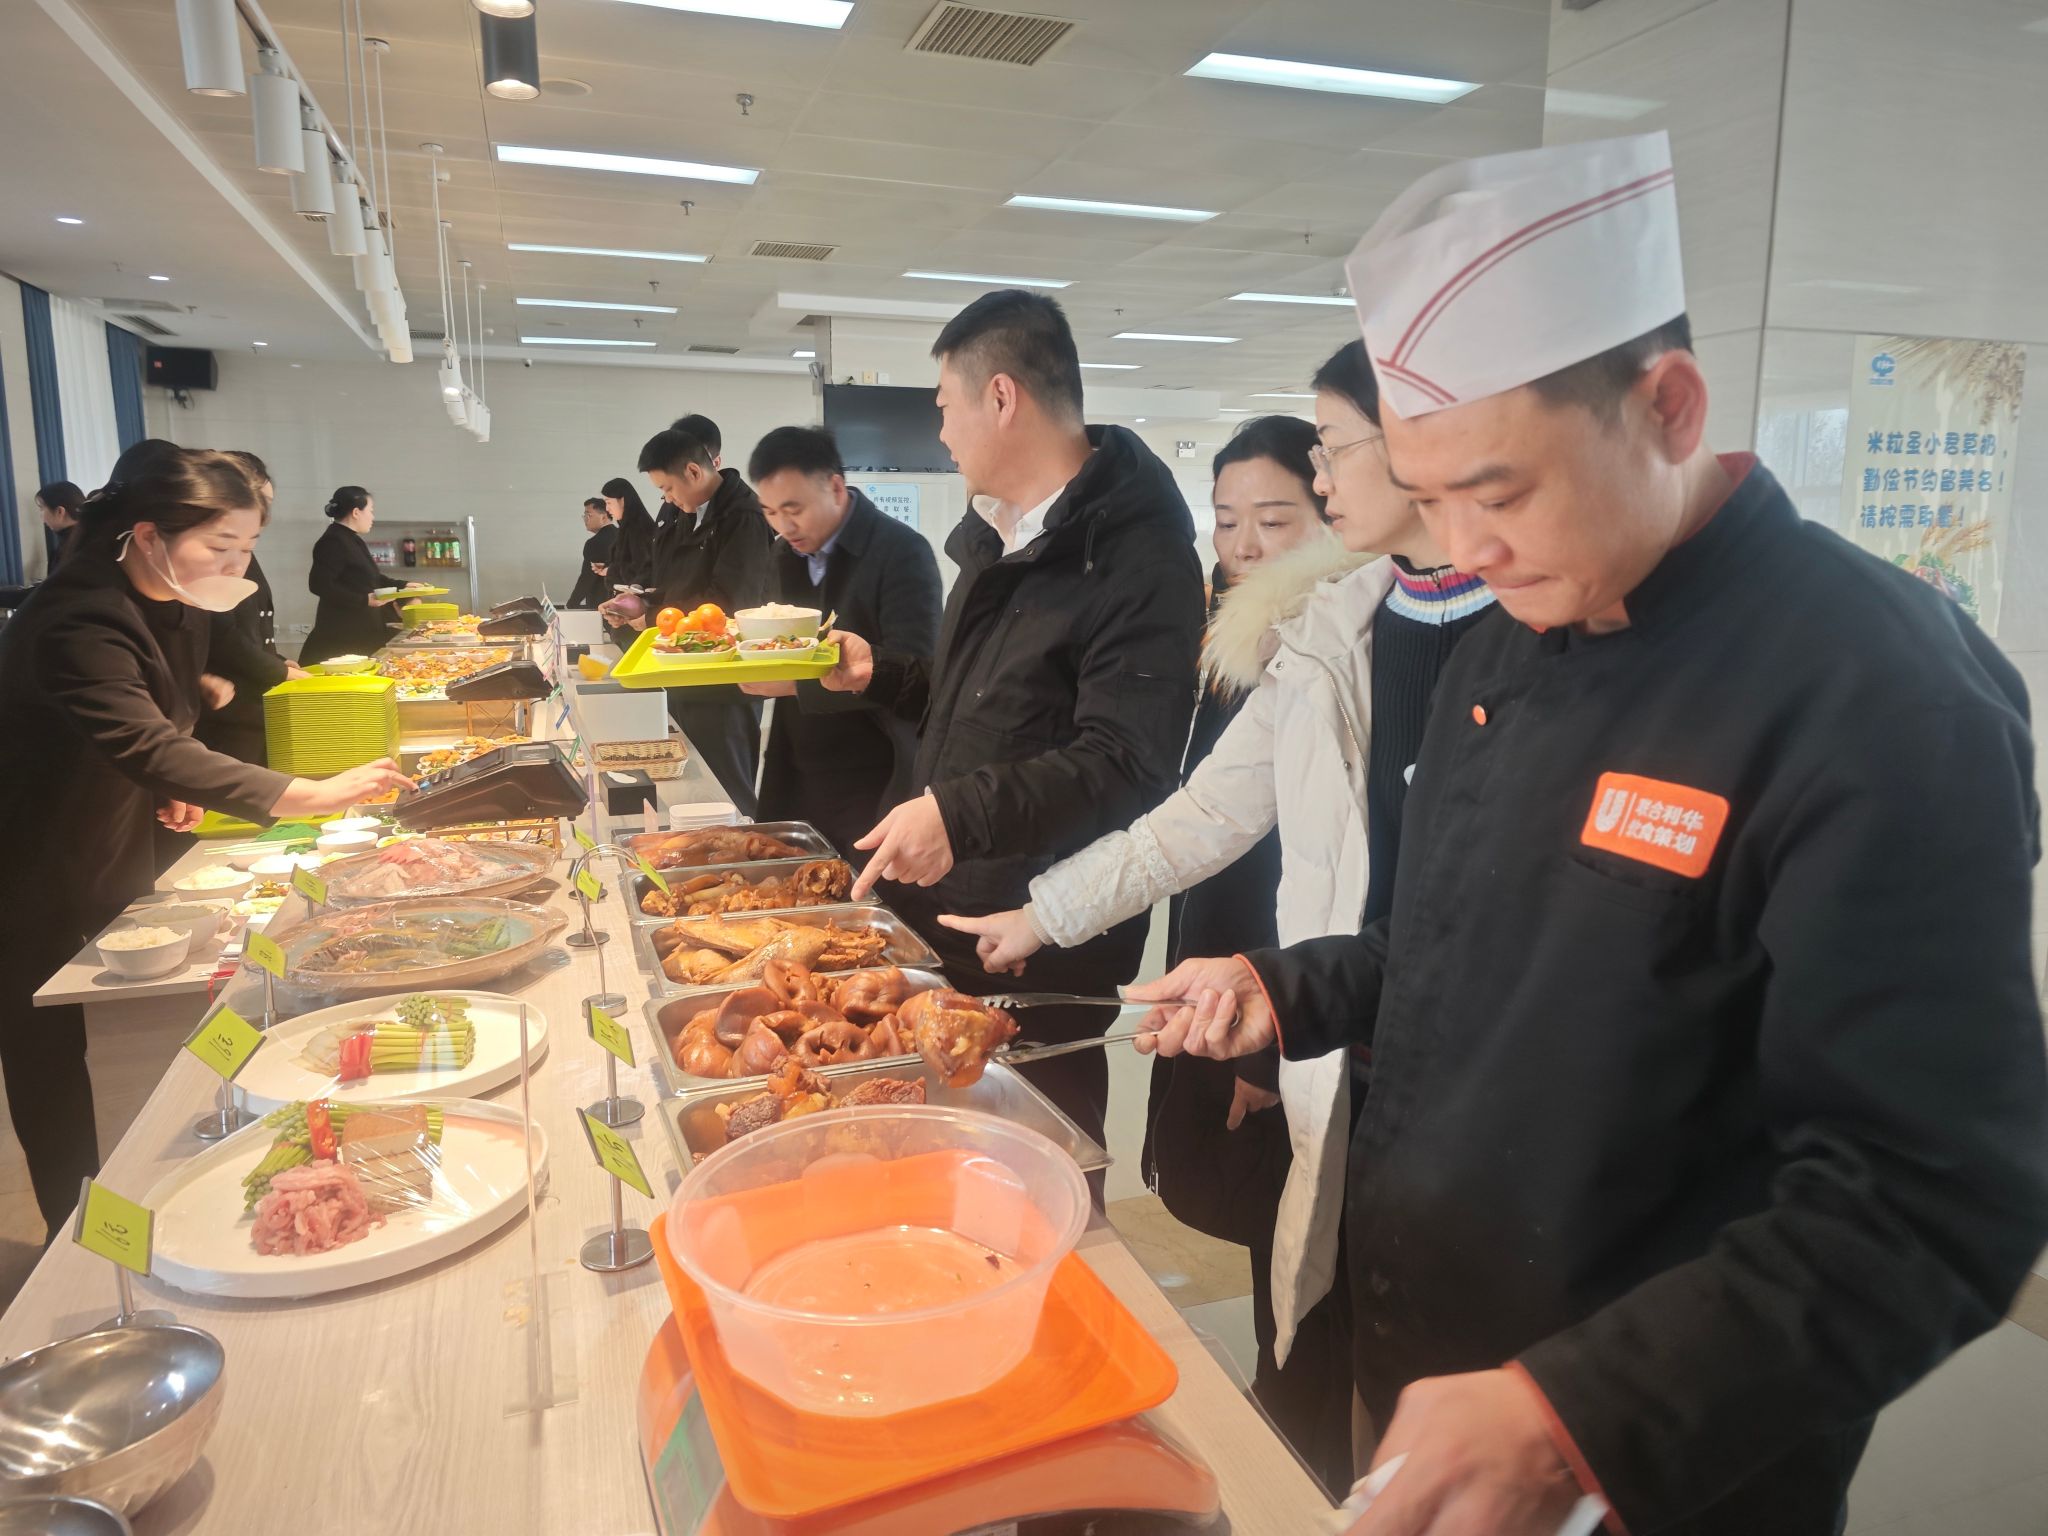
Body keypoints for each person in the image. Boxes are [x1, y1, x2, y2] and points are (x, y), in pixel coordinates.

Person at [1131, 132, 2048, 1536]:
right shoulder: (1508, 638)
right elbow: (1451, 953)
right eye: (1429, 496)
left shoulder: (1876, 695)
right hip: (1433, 1373)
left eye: (1497, 492)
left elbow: (1932, 1197)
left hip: (1650, 1455)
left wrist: (1580, 1418)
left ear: (1666, 406)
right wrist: (1287, 987)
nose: (1462, 547)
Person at [943, 390, 1497, 1496]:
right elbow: (1203, 818)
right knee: (1323, 1334)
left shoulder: (1525, 634)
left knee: (1451, 1382)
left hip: (1470, 1076)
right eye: (1234, 514)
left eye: (1328, 456)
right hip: (1344, 1037)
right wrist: (1043, 915)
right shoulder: (1328, 631)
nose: (1323, 478)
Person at [819, 289, 1206, 1144]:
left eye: (944, 407)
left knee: (1039, 1159)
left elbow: (1127, 763)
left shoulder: (1138, 559)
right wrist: (882, 673)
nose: (941, 433)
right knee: (935, 1156)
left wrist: (958, 816)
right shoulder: (1000, 535)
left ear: (1001, 397)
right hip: (948, 916)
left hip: (1037, 935)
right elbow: (979, 703)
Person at [0, 449, 411, 1240]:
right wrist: (304, 794)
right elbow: (138, 735)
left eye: (247, 548)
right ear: (148, 535)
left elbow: (157, 717)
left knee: (124, 1029)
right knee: (50, 1048)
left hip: (114, 833)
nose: (236, 567)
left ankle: (161, 1195)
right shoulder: (76, 614)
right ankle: (78, 1235)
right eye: (221, 546)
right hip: (31, 857)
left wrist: (166, 773)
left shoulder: (174, 602)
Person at [736, 426, 943, 861]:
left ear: (834, 487)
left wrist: (797, 684)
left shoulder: (901, 552)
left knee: (861, 891)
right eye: (770, 511)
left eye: (794, 509)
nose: (783, 525)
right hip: (797, 761)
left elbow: (920, 676)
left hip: (873, 771)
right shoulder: (782, 554)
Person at [604, 422, 776, 814]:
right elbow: (673, 582)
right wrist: (640, 603)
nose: (666, 498)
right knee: (694, 781)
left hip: (722, 681)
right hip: (682, 668)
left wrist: (651, 617)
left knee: (728, 789)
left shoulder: (743, 516)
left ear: (694, 472)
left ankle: (741, 846)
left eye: (668, 488)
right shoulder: (682, 511)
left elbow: (729, 603)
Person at [196, 451, 303, 768]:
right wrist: (278, 671)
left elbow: (250, 622)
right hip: (227, 707)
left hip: (248, 696)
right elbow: (222, 634)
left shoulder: (240, 552)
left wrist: (275, 659)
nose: (262, 513)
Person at [301, 486, 417, 664]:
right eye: (370, 511)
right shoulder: (333, 541)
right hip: (342, 634)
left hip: (361, 630)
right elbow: (319, 584)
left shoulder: (351, 538)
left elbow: (372, 578)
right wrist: (363, 600)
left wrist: (403, 585)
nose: (372, 517)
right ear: (356, 512)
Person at [600, 477, 658, 593]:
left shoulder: (638, 527)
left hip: (635, 596)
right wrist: (609, 569)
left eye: (609, 502)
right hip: (628, 594)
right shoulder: (627, 527)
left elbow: (644, 567)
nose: (607, 508)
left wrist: (613, 571)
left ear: (622, 501)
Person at [567, 497, 616, 608]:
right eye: (584, 516)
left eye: (588, 515)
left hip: (600, 604)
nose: (585, 519)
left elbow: (587, 577)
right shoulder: (622, 535)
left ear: (603, 517)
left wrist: (571, 604)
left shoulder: (595, 542)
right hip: (622, 601)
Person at [36, 481, 84, 570]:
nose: (41, 516)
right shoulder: (91, 538)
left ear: (60, 511)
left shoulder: (69, 549)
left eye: (41, 508)